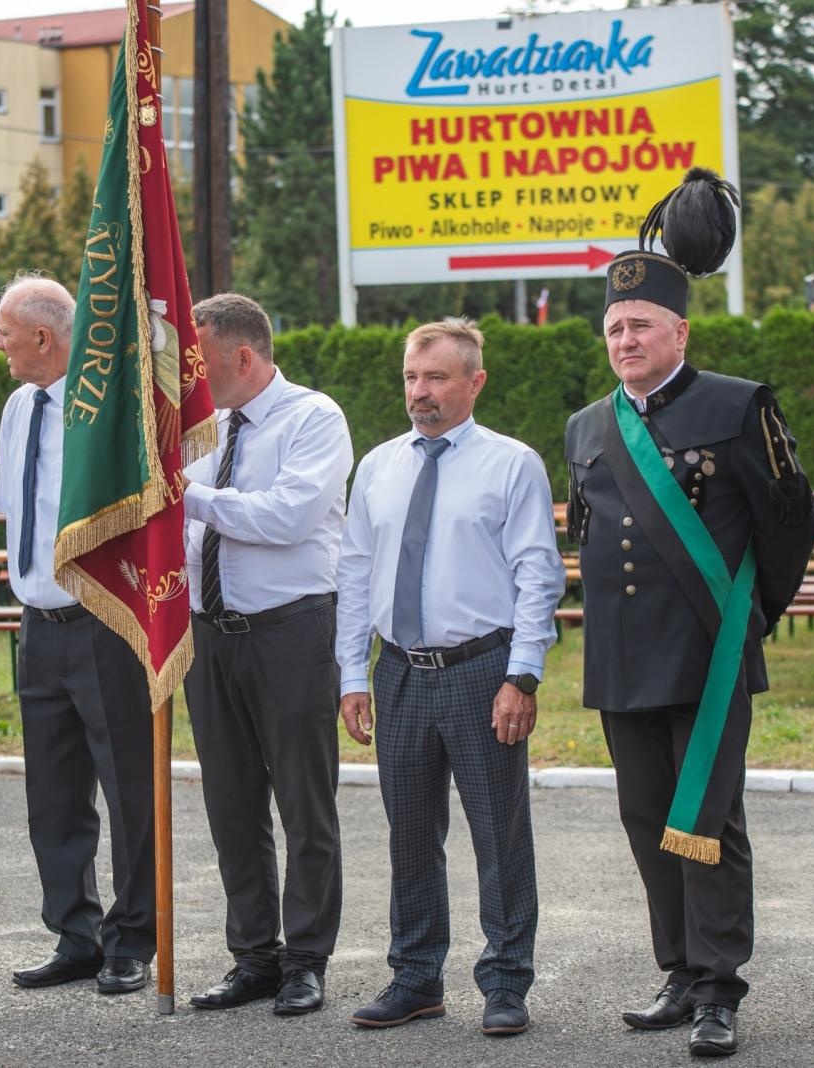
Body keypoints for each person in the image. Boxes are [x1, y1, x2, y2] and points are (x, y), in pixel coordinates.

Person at [563, 170, 814, 1058]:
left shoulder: (739, 405)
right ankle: (676, 968)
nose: (626, 339)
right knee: (645, 817)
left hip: (705, 654)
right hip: (621, 661)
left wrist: (751, 616)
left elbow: (791, 523)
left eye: (641, 326)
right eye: (615, 328)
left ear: (680, 329)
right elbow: (590, 533)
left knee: (708, 820)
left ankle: (719, 985)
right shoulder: (587, 428)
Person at [336, 317, 565, 1037]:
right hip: (400, 671)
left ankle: (504, 982)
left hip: (482, 671)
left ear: (475, 382)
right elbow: (354, 573)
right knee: (409, 833)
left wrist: (522, 676)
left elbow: (538, 575)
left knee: (499, 833)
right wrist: (352, 674)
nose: (420, 392)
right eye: (412, 377)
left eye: (437, 378)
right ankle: (415, 977)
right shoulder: (378, 466)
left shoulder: (511, 463)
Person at [181, 293, 352, 1017]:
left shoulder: (314, 417)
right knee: (231, 804)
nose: (190, 376)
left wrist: (186, 498)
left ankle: (307, 959)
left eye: (200, 361)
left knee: (303, 803)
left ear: (241, 357)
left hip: (290, 632)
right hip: (210, 634)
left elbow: (287, 517)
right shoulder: (202, 430)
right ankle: (254, 955)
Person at [0, 274, 155, 996]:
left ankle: (134, 939)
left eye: (4, 330)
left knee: (127, 786)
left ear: (43, 337)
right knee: (52, 795)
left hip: (102, 620)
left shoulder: (107, 409)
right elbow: (13, 503)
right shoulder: (17, 408)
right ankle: (75, 934)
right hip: (39, 622)